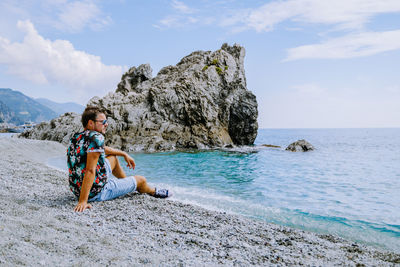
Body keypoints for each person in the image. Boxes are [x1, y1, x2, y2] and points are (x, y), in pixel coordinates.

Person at [67, 106, 170, 212]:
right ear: (91, 123)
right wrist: (83, 201)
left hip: (77, 188)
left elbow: (103, 149)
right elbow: (90, 170)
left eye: (106, 121)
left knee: (113, 158)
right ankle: (152, 191)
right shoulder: (97, 138)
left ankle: (126, 185)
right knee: (141, 180)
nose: (106, 124)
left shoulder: (76, 137)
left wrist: (123, 154)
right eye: (102, 122)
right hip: (95, 192)